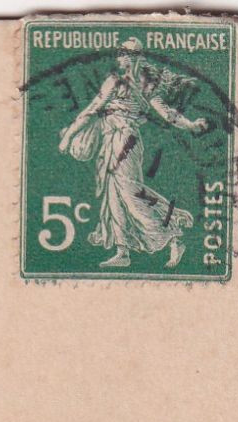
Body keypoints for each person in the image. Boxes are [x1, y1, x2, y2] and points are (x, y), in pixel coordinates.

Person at [57, 39, 209, 269]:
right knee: (114, 195)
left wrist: (190, 125)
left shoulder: (138, 85)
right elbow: (93, 110)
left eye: (128, 54)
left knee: (129, 193)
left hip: (125, 141)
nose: (124, 58)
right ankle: (123, 251)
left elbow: (166, 114)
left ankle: (172, 234)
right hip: (112, 141)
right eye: (123, 53)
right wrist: (69, 134)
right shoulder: (121, 83)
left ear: (135, 57)